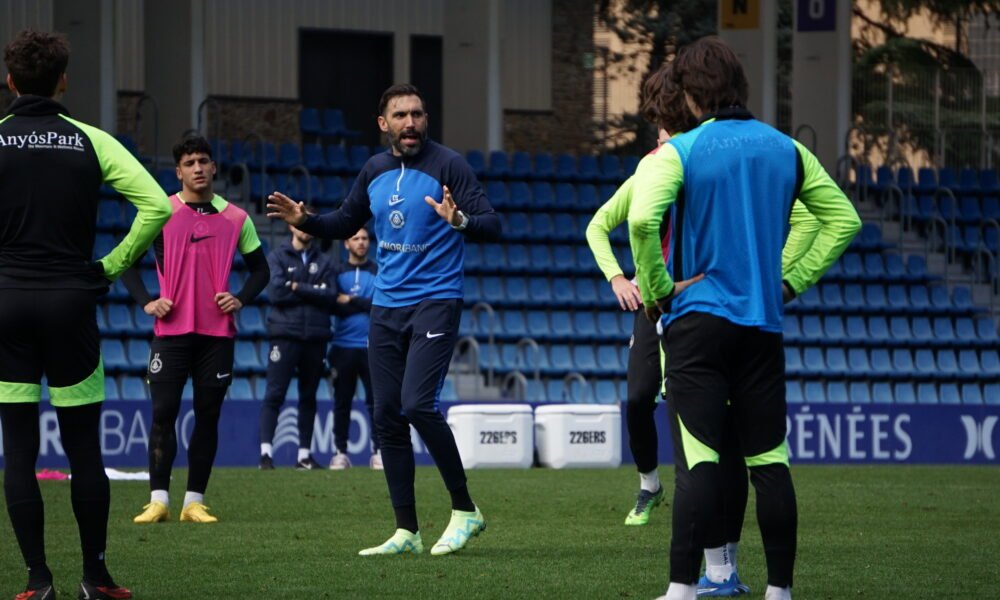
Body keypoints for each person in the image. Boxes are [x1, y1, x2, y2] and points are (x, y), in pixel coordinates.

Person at [628, 38, 861, 600]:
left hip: (699, 323)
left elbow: (640, 220)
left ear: (688, 92)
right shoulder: (785, 149)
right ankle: (779, 592)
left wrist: (658, 289)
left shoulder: (680, 150)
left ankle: (684, 589)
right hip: (762, 325)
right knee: (769, 462)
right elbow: (844, 221)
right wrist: (790, 282)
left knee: (700, 458)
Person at [267, 83, 501, 556]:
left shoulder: (449, 164)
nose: (410, 123)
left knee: (417, 405)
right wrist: (305, 218)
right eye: (400, 116)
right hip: (386, 307)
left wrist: (460, 222)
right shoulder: (373, 170)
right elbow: (342, 221)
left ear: (426, 119)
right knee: (386, 416)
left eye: (417, 114)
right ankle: (407, 531)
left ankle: (465, 508)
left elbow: (492, 225)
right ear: (383, 124)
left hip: (436, 299)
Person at [0, 30, 172, 600]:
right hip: (71, 301)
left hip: (8, 303)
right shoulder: (90, 140)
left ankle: (35, 581)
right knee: (83, 451)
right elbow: (154, 204)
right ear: (63, 80)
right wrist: (108, 266)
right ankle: (96, 579)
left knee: (19, 450)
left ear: (10, 82)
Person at [124, 135, 269, 524]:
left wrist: (239, 298)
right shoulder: (159, 212)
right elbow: (125, 261)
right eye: (190, 163)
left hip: (216, 335)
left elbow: (262, 270)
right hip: (170, 332)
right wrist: (147, 302)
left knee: (208, 416)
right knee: (163, 414)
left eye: (204, 161)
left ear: (214, 167)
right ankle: (158, 500)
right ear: (178, 171)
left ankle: (193, 502)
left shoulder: (237, 217)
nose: (198, 168)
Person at [258, 216, 336, 470]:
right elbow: (276, 293)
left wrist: (295, 286)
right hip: (284, 334)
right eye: (300, 223)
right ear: (291, 226)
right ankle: (266, 455)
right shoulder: (277, 256)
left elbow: (330, 295)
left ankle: (304, 456)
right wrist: (312, 288)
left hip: (315, 336)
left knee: (309, 396)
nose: (305, 229)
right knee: (275, 393)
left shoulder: (324, 260)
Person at [327, 227, 380, 470]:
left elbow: (379, 305)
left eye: (364, 238)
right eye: (355, 238)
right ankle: (340, 453)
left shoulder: (378, 270)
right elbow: (333, 305)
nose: (361, 242)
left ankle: (378, 452)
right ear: (346, 243)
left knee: (377, 402)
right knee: (342, 402)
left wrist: (351, 300)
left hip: (373, 347)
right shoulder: (336, 271)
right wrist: (359, 304)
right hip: (342, 347)